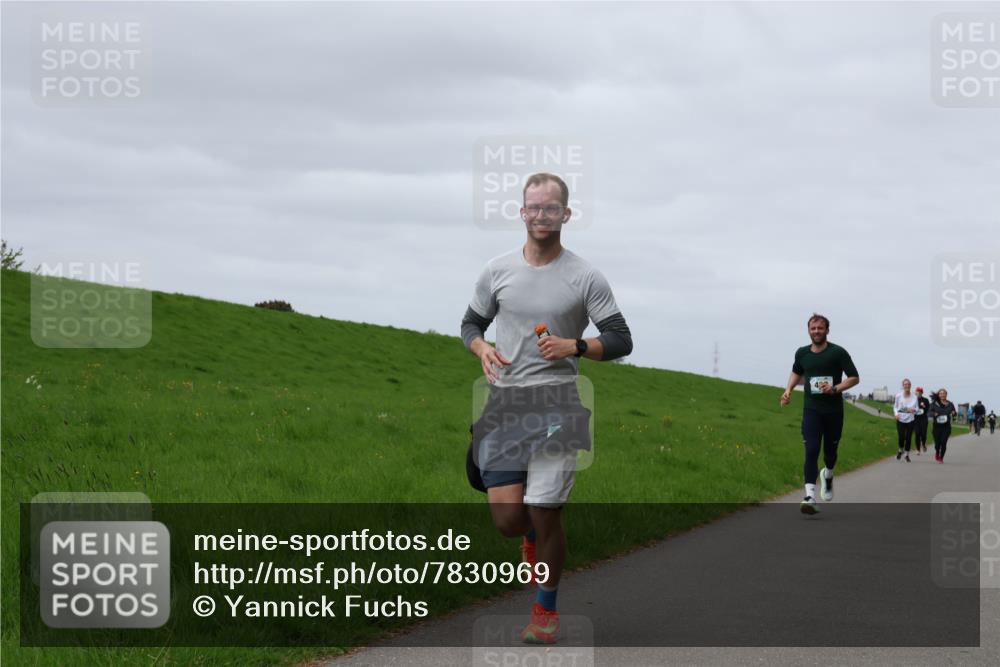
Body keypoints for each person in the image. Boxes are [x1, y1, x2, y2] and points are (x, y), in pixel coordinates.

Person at [461, 172, 633, 644]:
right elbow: (471, 322)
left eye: (551, 208)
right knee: (509, 520)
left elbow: (621, 339)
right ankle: (529, 539)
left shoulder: (584, 276)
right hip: (504, 405)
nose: (541, 215)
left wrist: (575, 346)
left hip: (559, 407)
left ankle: (545, 611)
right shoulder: (497, 270)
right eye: (533, 207)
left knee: (546, 509)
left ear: (566, 214)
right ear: (522, 213)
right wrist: (482, 350)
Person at [780, 313, 860, 515]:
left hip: (833, 411)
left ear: (827, 330)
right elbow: (796, 372)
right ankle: (809, 497)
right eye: (813, 328)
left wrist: (835, 388)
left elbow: (854, 378)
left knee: (830, 454)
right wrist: (788, 390)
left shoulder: (838, 353)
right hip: (811, 409)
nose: (816, 331)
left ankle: (828, 475)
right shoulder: (802, 353)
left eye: (820, 328)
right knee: (811, 449)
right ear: (808, 330)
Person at [929, 389, 958, 462]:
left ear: (946, 394)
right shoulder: (934, 403)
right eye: (941, 393)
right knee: (937, 444)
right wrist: (934, 414)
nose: (942, 395)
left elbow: (954, 413)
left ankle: (941, 458)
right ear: (938, 395)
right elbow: (929, 413)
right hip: (937, 426)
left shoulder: (950, 404)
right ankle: (937, 452)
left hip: (946, 426)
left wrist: (954, 413)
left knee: (943, 442)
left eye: (944, 393)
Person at [894, 379, 918, 462]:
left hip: (910, 420)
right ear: (903, 386)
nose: (907, 386)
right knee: (901, 437)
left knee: (908, 438)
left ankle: (907, 455)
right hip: (900, 419)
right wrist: (896, 414)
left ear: (910, 386)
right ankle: (900, 450)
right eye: (905, 384)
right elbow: (895, 407)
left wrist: (914, 410)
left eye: (908, 384)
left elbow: (917, 408)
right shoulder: (898, 396)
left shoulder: (914, 397)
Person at [914, 387, 930, 453]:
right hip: (916, 419)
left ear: (922, 393)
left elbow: (928, 409)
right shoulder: (913, 400)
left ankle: (923, 444)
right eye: (917, 392)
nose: (918, 393)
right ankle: (918, 449)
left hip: (923, 419)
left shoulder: (925, 400)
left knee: (923, 434)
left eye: (920, 392)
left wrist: (924, 407)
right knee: (917, 434)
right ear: (915, 392)